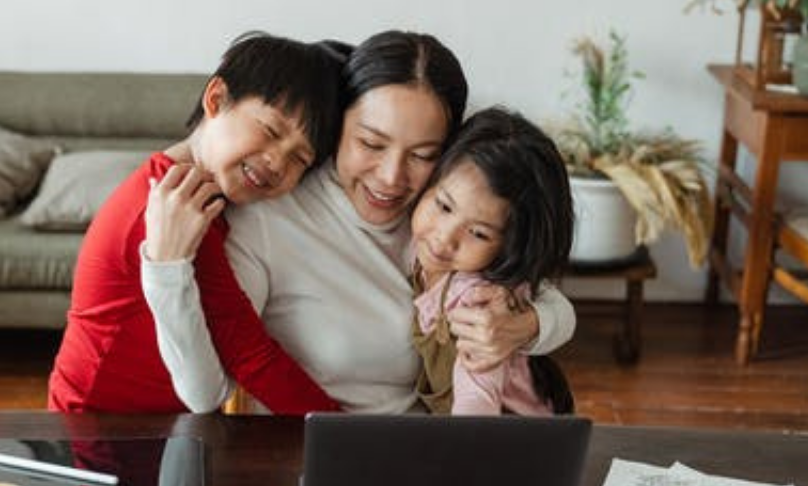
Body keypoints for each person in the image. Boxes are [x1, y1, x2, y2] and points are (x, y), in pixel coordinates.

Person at [143, 31, 577, 414]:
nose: (391, 178)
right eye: (371, 143)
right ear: (336, 127)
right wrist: (166, 270)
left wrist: (526, 327)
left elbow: (552, 302)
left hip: (425, 458)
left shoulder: (440, 216)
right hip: (308, 464)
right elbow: (206, 392)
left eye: (423, 155)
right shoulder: (269, 218)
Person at [48, 32, 348, 413]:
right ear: (216, 99)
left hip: (146, 427)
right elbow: (247, 362)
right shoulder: (172, 208)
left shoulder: (204, 194)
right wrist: (350, 440)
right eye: (271, 131)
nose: (276, 161)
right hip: (97, 432)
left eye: (299, 159)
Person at [409, 107, 575, 416]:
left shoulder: (477, 300)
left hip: (517, 441)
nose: (444, 238)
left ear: (510, 247)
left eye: (478, 233)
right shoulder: (420, 255)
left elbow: (478, 400)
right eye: (444, 206)